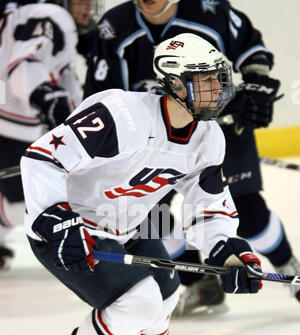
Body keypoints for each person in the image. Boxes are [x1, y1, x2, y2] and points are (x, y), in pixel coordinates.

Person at [21, 33, 263, 335]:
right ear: (175, 82)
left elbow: (208, 205)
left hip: (129, 226)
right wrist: (56, 218)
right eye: (205, 80)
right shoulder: (121, 114)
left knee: (165, 295)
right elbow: (42, 159)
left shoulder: (207, 138)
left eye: (219, 78)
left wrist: (227, 250)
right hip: (70, 231)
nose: (218, 89)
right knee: (140, 301)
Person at [84, 0, 300, 314]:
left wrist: (257, 86)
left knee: (249, 213)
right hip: (152, 142)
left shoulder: (211, 11)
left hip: (221, 128)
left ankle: (289, 268)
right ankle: (198, 281)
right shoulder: (114, 26)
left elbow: (252, 50)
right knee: (149, 219)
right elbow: (99, 94)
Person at [0, 0, 102, 269]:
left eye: (90, 3)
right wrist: (45, 97)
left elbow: (63, 82)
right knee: (27, 202)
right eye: (80, 2)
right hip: (10, 125)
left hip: (11, 121)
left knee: (26, 199)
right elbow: (23, 62)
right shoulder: (54, 15)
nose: (87, 8)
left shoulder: (43, 17)